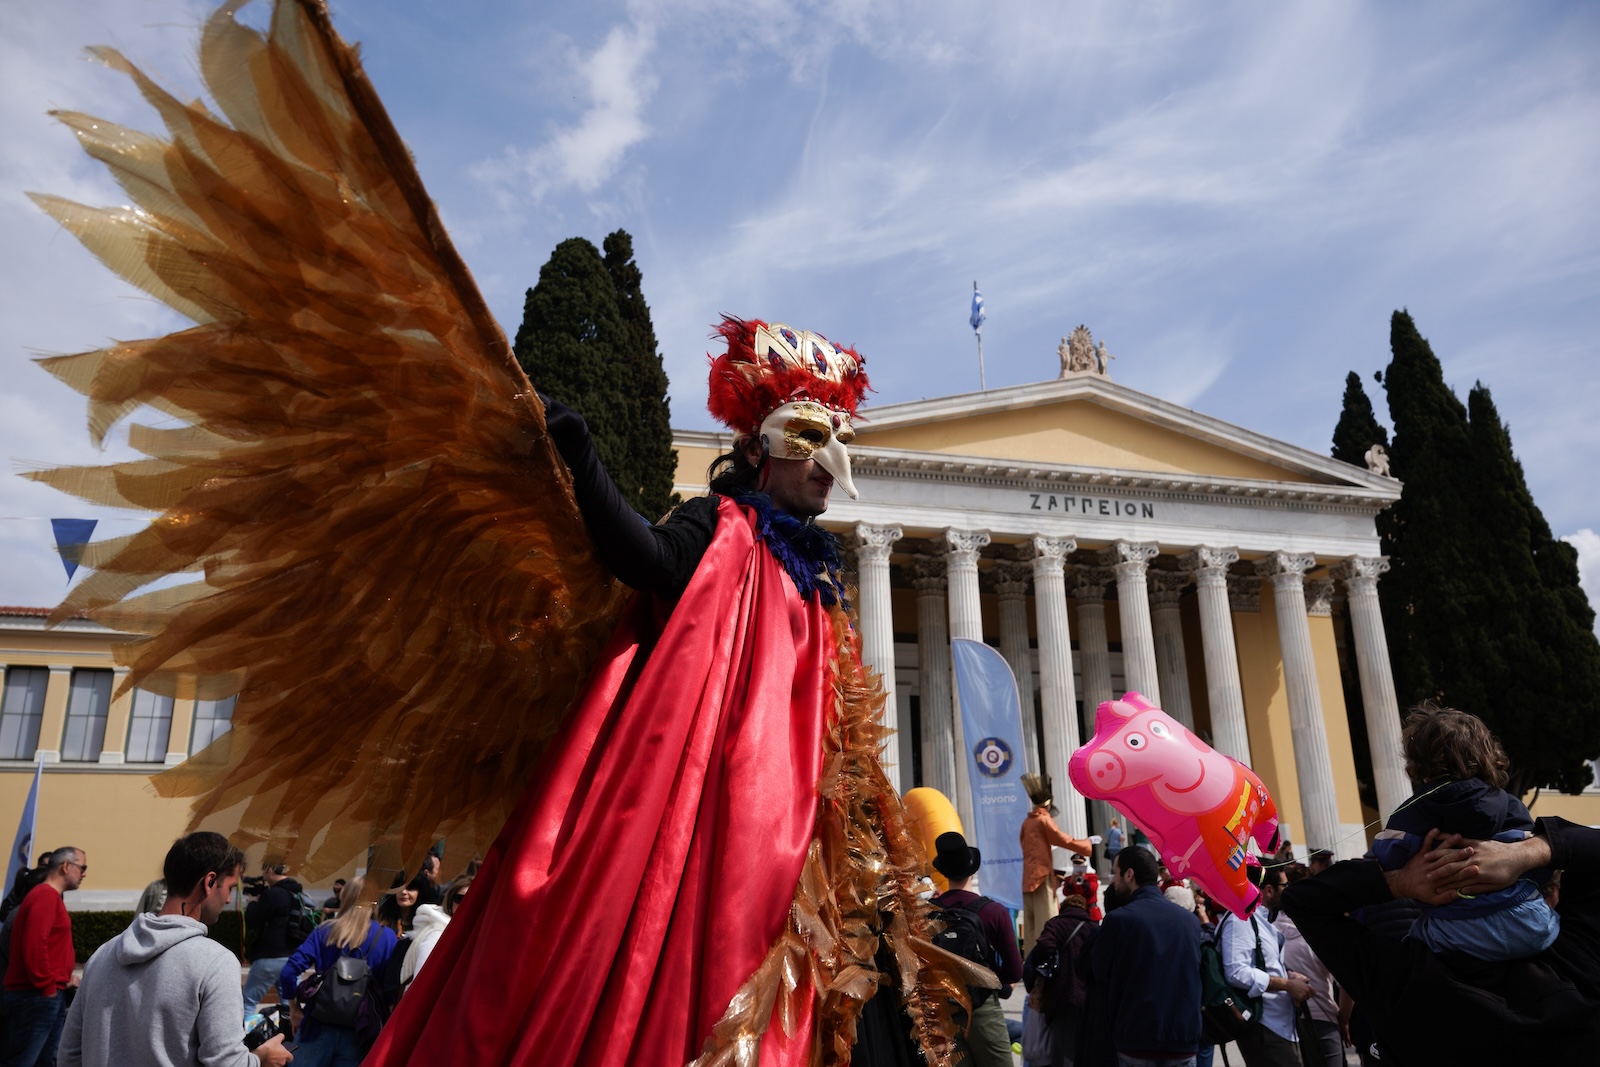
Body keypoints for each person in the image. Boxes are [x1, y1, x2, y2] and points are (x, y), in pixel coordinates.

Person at [362, 319, 967, 1066]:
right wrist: (582, 460)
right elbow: (643, 558)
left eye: (839, 434)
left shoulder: (818, 584)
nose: (830, 460)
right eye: (809, 433)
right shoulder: (719, 527)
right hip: (712, 822)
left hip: (799, 849)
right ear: (754, 447)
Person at [1285, 821, 1600, 1063]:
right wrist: (1528, 852)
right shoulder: (1575, 960)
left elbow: (1303, 900)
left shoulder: (1399, 980)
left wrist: (1398, 881)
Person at [56, 832, 293, 1067]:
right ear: (209, 882)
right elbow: (227, 1063)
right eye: (230, 888)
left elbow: (68, 1054)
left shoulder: (102, 954)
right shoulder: (215, 962)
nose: (229, 899)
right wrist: (261, 1059)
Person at [1369, 702, 1559, 960]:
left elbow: (1386, 857)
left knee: (1408, 947)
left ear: (1418, 763)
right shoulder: (1509, 803)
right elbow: (1537, 861)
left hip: (1455, 931)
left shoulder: (1413, 812)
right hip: (1529, 925)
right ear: (1486, 755)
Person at [1084, 844, 1202, 1067]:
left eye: (1116, 873)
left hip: (1137, 1037)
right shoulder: (1189, 920)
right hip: (1183, 1038)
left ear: (1129, 875)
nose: (1114, 880)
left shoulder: (1119, 920)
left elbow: (1100, 972)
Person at [280, 875, 398, 1067]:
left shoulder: (324, 930)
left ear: (345, 897)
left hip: (316, 1025)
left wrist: (294, 1009)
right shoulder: (387, 938)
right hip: (360, 1031)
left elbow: (288, 972)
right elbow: (390, 991)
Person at [929, 832, 1021, 1067]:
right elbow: (1014, 970)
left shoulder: (929, 912)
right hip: (982, 1006)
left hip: (945, 1011)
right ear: (972, 870)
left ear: (944, 871)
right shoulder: (994, 911)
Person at [1219, 866, 1310, 1067]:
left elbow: (1261, 964)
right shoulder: (1240, 920)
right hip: (1263, 1025)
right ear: (1268, 890)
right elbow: (1236, 972)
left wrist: (1289, 975)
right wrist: (1287, 984)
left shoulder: (1260, 919)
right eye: (1285, 885)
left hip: (1280, 1024)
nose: (1288, 889)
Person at [2, 846, 84, 1067]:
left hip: (43, 994)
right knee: (23, 1061)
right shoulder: (45, 896)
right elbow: (34, 946)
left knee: (43, 1060)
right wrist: (47, 987)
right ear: (66, 866)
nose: (84, 874)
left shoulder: (47, 897)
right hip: (36, 996)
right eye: (82, 867)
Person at [1021, 774, 1096, 953]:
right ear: (1047, 804)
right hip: (1041, 876)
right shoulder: (1044, 820)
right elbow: (1064, 840)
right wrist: (1086, 844)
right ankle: (1047, 958)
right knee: (1047, 920)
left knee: (1031, 925)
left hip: (1028, 878)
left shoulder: (1027, 822)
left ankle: (1032, 958)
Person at [1273, 870, 1340, 1067]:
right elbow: (1345, 983)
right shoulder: (1320, 931)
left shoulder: (1269, 929)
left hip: (1287, 1020)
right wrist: (1344, 1019)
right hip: (1324, 1016)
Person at [1023, 889, 1097, 1066]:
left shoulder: (1055, 925)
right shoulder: (1093, 928)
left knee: (1063, 1052)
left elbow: (1044, 947)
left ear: (1063, 908)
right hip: (1088, 999)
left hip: (1061, 996)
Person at [243, 864, 307, 1023]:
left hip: (270, 956)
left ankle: (250, 1040)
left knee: (248, 1002)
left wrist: (252, 903)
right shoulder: (298, 894)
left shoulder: (272, 894)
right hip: (292, 957)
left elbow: (253, 921)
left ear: (270, 871)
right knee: (289, 1004)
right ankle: (288, 1039)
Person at [397, 875, 469, 995]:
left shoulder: (468, 934)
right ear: (450, 901)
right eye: (459, 899)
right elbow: (422, 984)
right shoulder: (438, 934)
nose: (466, 904)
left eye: (473, 898)